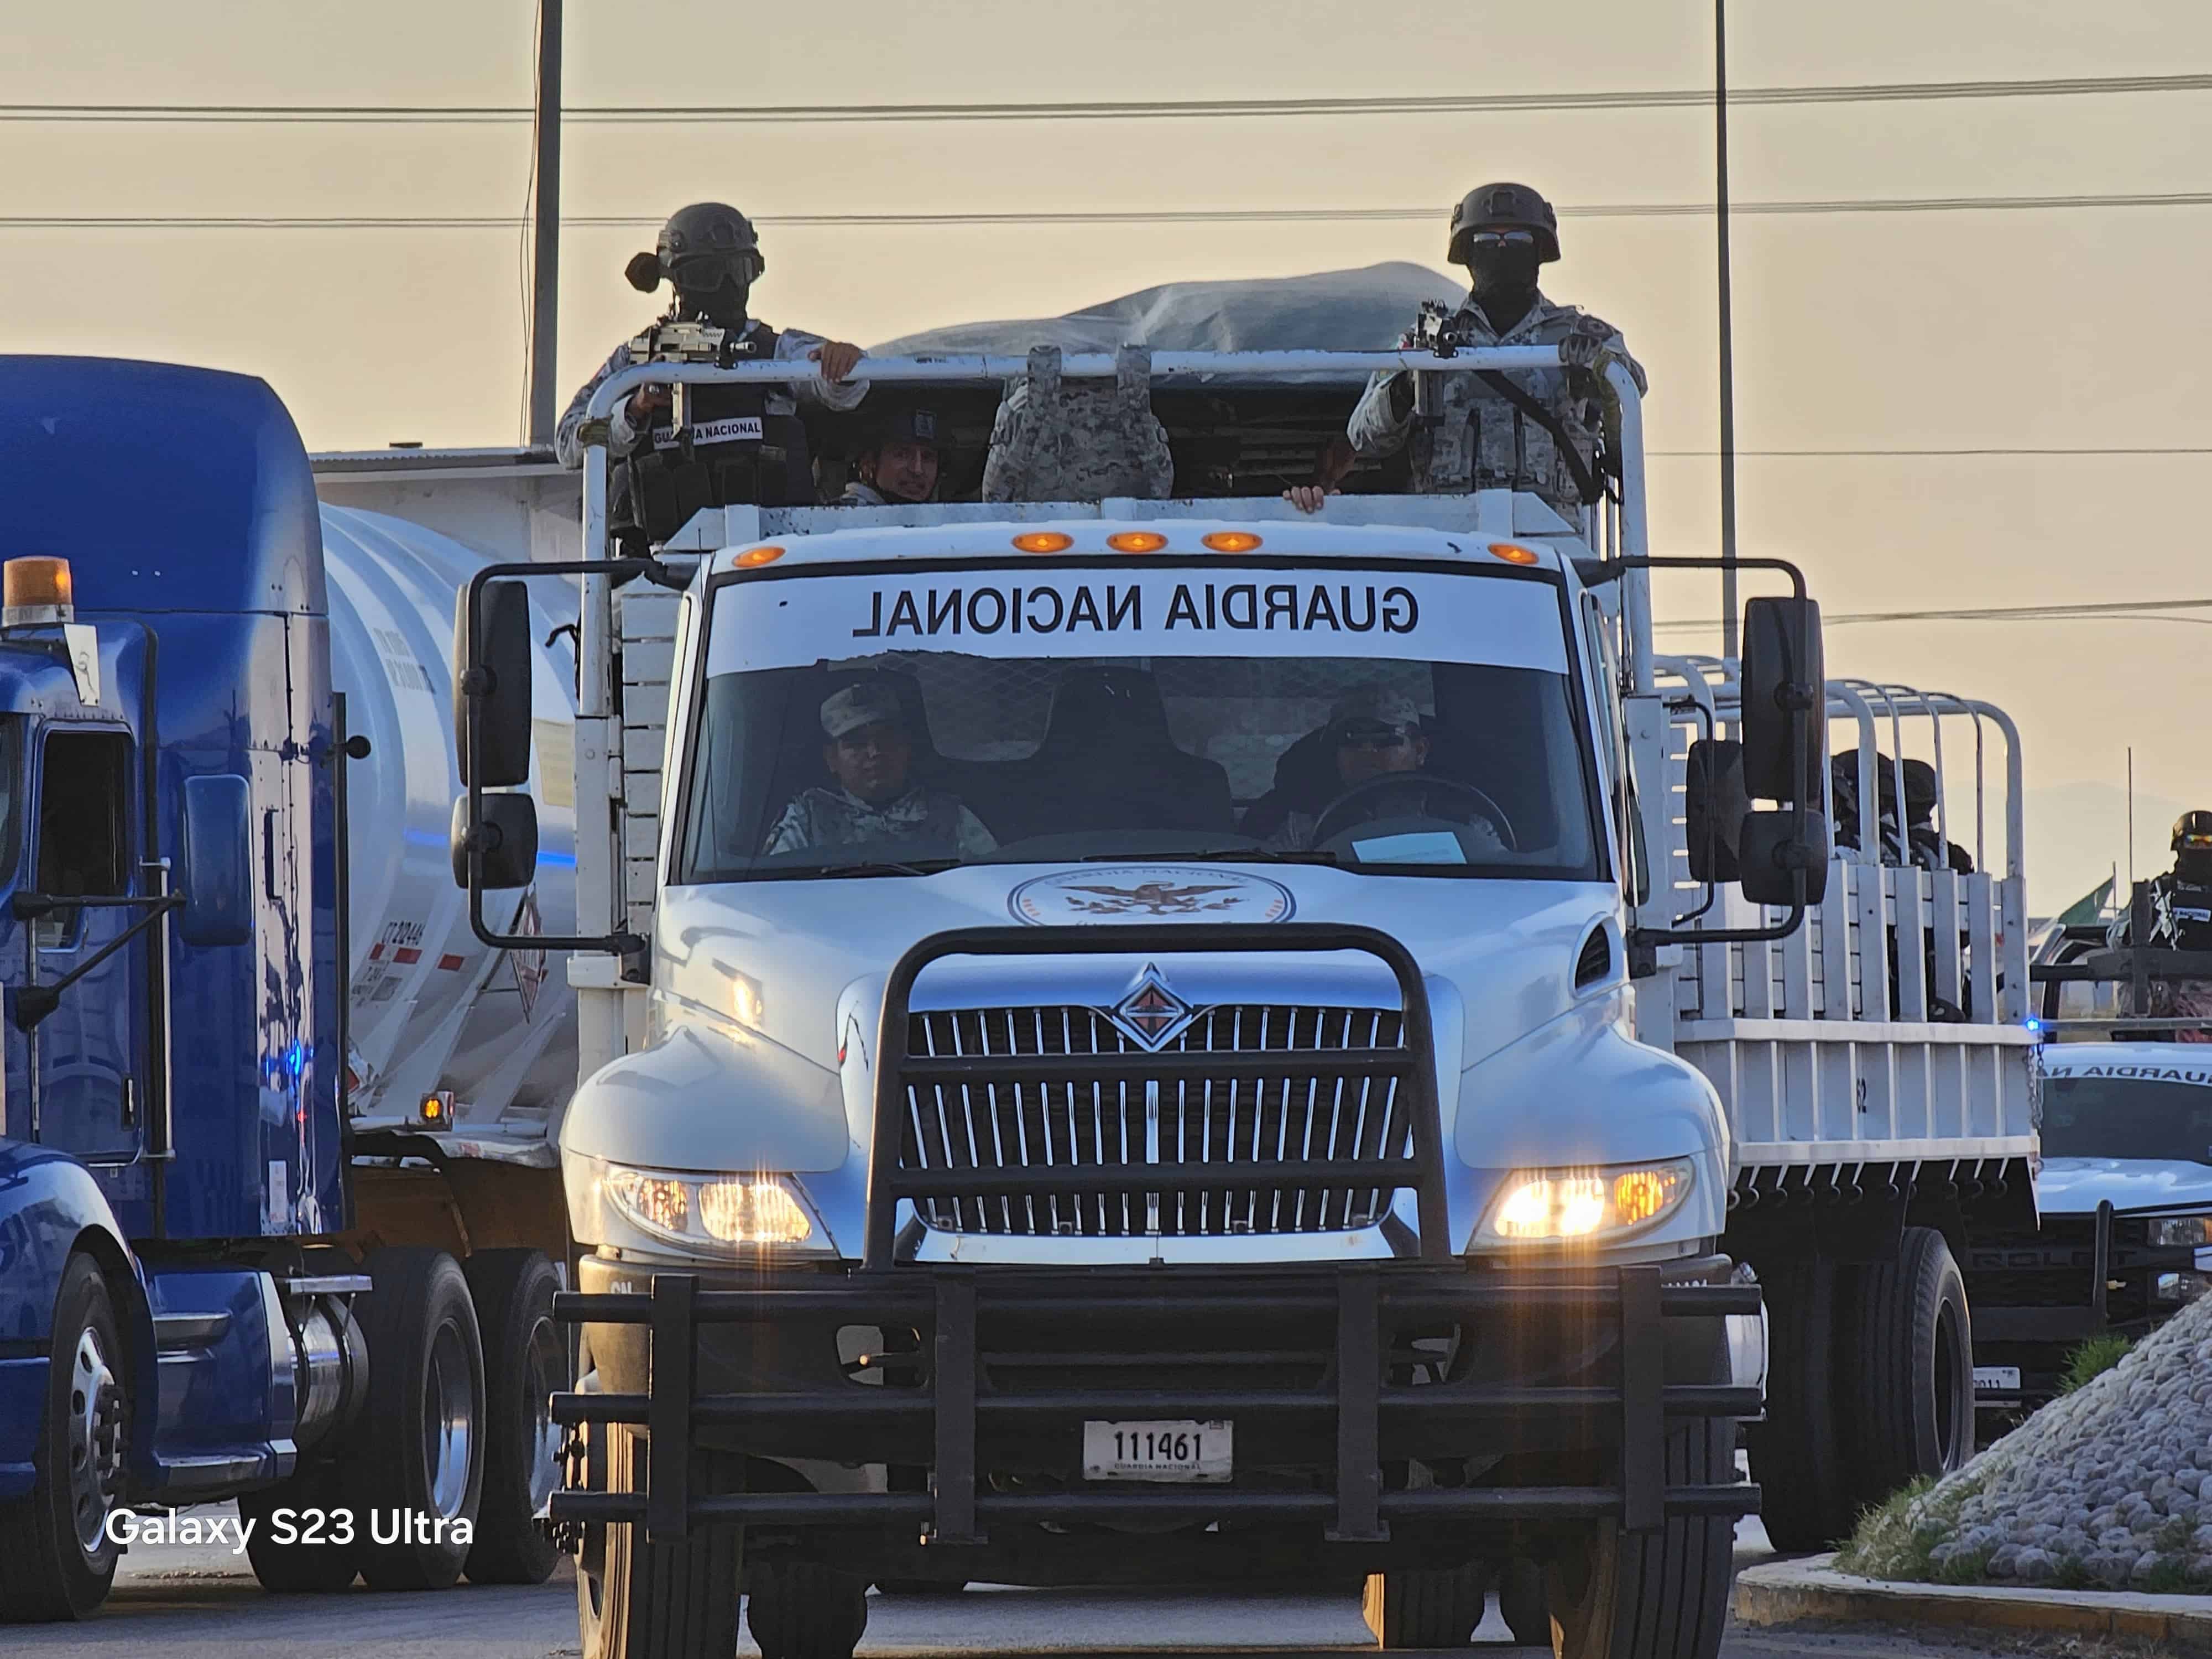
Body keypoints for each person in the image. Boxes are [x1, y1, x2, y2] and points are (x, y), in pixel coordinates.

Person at [1287, 182, 1645, 519]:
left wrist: (1592, 372)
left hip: (1554, 536)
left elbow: (1632, 385)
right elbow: (1363, 436)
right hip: (1452, 540)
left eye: (1517, 238)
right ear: (1469, 253)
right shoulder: (1428, 338)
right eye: (1488, 239)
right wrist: (1406, 387)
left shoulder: (1578, 335)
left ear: (1538, 250)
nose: (1502, 249)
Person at [555, 202, 868, 541]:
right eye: (708, 275)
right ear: (675, 280)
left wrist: (841, 360)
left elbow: (842, 388)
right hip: (657, 572)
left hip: (773, 554)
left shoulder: (773, 351)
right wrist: (635, 409)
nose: (728, 286)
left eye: (739, 271)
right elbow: (569, 442)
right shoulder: (635, 360)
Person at [1251, 685, 1506, 854]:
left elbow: (1499, 883)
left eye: (1386, 738)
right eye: (1350, 739)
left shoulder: (1464, 821)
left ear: (1420, 751)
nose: (1366, 750)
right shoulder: (1303, 827)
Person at [763, 684, 996, 859]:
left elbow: (989, 886)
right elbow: (776, 893)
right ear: (832, 759)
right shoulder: (807, 818)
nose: (874, 752)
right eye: (856, 744)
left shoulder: (949, 816)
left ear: (906, 747)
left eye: (886, 739)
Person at [2107, 811, 2212, 1040]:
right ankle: (2133, 1039)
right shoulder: (2155, 894)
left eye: (2208, 842)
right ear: (2179, 846)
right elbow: (2114, 937)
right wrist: (2138, 932)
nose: (2200, 849)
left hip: (2204, 999)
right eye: (2193, 842)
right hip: (2158, 993)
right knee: (2134, 980)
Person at [839, 404, 943, 506]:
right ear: (868, 463)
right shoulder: (846, 517)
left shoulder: (948, 520)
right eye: (902, 455)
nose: (917, 470)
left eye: (927, 457)